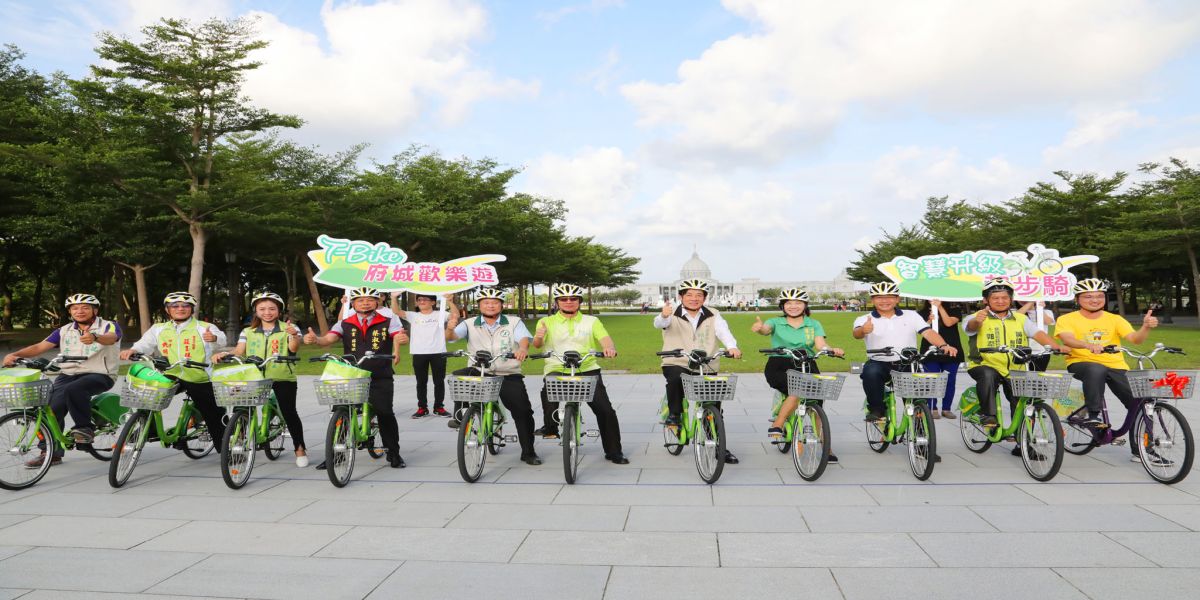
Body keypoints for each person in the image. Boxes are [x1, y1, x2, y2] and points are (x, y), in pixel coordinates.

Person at [4, 293, 122, 467]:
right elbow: (39, 347)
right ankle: (51, 452)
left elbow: (113, 338)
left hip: (100, 373)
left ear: (95, 310)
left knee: (74, 389)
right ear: (70, 312)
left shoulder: (108, 326)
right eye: (75, 308)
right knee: (50, 409)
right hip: (67, 374)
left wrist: (96, 337)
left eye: (85, 307)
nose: (79, 311)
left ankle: (84, 429)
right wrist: (15, 355)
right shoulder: (64, 330)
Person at [1054, 278, 1163, 464]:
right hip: (1082, 362)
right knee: (1096, 369)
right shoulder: (1067, 319)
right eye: (1088, 296)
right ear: (1078, 299)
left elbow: (1135, 339)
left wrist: (1145, 326)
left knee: (1142, 402)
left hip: (1116, 366)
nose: (1094, 300)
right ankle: (1094, 416)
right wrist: (1087, 345)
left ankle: (1144, 450)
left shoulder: (1115, 319)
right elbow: (1068, 340)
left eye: (1099, 296)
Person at [304, 287, 410, 469]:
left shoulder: (388, 320)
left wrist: (402, 340)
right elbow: (328, 339)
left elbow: (399, 335)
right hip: (351, 374)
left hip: (379, 373)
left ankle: (393, 453)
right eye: (360, 300)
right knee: (340, 410)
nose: (365, 302)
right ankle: (336, 455)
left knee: (384, 412)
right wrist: (316, 340)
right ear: (353, 303)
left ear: (377, 302)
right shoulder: (345, 322)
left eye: (370, 299)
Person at [962, 278, 1064, 456]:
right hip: (984, 364)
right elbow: (971, 327)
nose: (1000, 301)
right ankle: (988, 415)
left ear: (1011, 299)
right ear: (986, 300)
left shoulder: (1021, 318)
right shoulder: (976, 317)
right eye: (995, 298)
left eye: (1004, 297)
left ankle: (1023, 445)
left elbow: (1038, 334)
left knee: (1022, 402)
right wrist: (978, 321)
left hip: (1015, 368)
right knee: (988, 376)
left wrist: (1056, 347)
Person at [532, 283, 627, 464]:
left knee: (605, 410)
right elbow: (537, 345)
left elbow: (604, 338)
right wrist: (538, 335)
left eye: (573, 299)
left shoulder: (592, 321)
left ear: (579, 301)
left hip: (586, 367)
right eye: (564, 299)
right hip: (557, 366)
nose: (569, 302)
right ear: (557, 302)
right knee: (548, 390)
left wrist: (609, 347)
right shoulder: (546, 322)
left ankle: (614, 451)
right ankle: (550, 427)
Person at [120, 292, 227, 452]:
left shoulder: (204, 327)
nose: (180, 309)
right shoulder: (159, 328)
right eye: (175, 306)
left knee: (212, 412)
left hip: (200, 376)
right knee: (149, 393)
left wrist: (214, 338)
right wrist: (133, 350)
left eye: (185, 306)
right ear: (167, 310)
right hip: (171, 374)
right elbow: (145, 344)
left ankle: (226, 449)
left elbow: (222, 339)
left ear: (192, 309)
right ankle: (150, 429)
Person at [445, 287, 541, 465]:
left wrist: (522, 349)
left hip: (507, 372)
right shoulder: (469, 323)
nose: (490, 305)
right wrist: (450, 329)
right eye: (486, 302)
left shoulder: (513, 322)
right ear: (479, 305)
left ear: (501, 305)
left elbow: (523, 339)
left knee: (523, 412)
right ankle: (460, 416)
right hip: (480, 370)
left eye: (495, 302)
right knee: (459, 376)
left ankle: (528, 451)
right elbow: (451, 338)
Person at [212, 292, 308, 467]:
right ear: (256, 311)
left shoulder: (289, 327)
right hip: (253, 376)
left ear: (279, 310)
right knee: (241, 406)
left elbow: (293, 349)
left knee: (289, 412)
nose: (267, 312)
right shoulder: (248, 331)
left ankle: (299, 448)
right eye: (262, 309)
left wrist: (294, 335)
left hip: (282, 376)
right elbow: (239, 351)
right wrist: (225, 353)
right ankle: (239, 443)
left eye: (272, 308)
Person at [751, 287, 844, 463]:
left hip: (806, 362)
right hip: (779, 363)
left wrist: (831, 350)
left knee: (817, 405)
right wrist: (760, 328)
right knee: (799, 388)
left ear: (805, 305)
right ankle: (778, 423)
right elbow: (765, 329)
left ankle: (825, 446)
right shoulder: (775, 322)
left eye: (798, 302)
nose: (793, 306)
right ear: (783, 306)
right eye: (789, 303)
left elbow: (820, 344)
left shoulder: (813, 323)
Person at [655, 279, 743, 464]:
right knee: (676, 378)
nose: (694, 299)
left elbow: (724, 332)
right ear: (681, 296)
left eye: (699, 295)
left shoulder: (713, 314)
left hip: (705, 362)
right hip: (677, 360)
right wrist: (663, 315)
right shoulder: (672, 313)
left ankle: (719, 445)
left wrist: (732, 347)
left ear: (704, 298)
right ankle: (674, 415)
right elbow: (660, 323)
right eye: (689, 295)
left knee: (713, 404)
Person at [852, 282, 958, 422]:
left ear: (897, 299)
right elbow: (857, 333)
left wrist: (943, 345)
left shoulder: (911, 315)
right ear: (872, 300)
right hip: (879, 362)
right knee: (870, 373)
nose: (885, 301)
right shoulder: (864, 319)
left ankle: (920, 424)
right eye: (879, 297)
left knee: (919, 396)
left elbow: (927, 332)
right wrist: (863, 330)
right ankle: (877, 410)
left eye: (890, 297)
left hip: (908, 362)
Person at [390, 292, 458, 418]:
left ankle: (439, 407)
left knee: (439, 381)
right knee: (421, 382)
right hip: (419, 352)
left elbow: (455, 315)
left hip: (438, 352)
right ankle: (422, 408)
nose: (421, 302)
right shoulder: (413, 315)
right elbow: (396, 311)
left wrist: (450, 301)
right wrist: (394, 297)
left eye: (425, 300)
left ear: (433, 302)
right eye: (419, 300)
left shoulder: (440, 314)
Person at [918, 299, 964, 419]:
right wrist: (928, 321)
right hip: (930, 351)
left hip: (952, 350)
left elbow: (949, 322)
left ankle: (946, 409)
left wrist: (940, 308)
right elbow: (921, 330)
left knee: (949, 381)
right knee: (931, 380)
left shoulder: (955, 310)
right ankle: (932, 408)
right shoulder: (921, 312)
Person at [1017, 300, 1057, 371]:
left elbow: (1048, 321)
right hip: (1020, 352)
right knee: (1020, 379)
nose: (1022, 300)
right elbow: (1016, 318)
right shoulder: (1013, 312)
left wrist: (1040, 308)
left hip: (1041, 352)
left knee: (1037, 379)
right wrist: (1030, 302)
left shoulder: (1047, 312)